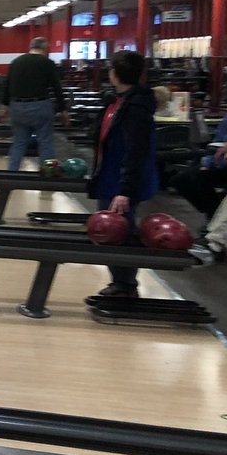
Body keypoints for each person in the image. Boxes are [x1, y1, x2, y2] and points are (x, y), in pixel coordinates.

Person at [62, 49, 158, 317]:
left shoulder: (136, 108)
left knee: (119, 234)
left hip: (121, 182)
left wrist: (125, 191)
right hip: (110, 176)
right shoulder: (119, 101)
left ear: (115, 74)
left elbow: (135, 152)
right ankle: (121, 283)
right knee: (114, 234)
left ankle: (126, 285)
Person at [0, 36, 69, 171]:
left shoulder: (16, 62)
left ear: (31, 47)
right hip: (40, 106)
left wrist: (3, 107)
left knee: (18, 143)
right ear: (44, 48)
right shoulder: (47, 62)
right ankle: (47, 177)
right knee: (45, 143)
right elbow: (56, 88)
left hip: (17, 108)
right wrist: (63, 110)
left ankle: (11, 175)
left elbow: (6, 86)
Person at [171, 112, 227, 224]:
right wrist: (206, 164)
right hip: (219, 164)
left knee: (199, 177)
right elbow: (216, 144)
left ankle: (215, 219)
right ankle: (215, 214)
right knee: (180, 180)